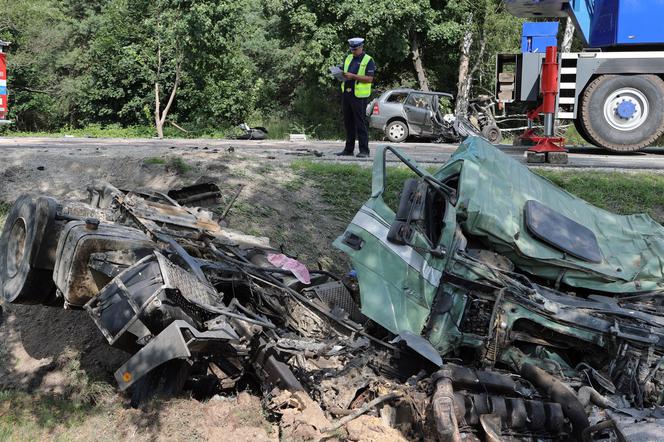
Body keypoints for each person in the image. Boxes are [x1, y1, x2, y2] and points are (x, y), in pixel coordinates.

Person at [335, 38, 375, 158]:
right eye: (352, 49)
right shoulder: (348, 58)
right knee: (348, 123)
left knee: (360, 123)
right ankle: (348, 149)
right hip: (347, 94)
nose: (353, 52)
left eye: (356, 49)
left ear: (361, 47)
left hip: (359, 96)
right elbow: (345, 70)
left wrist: (353, 76)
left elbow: (369, 79)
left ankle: (364, 151)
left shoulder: (368, 60)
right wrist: (339, 73)